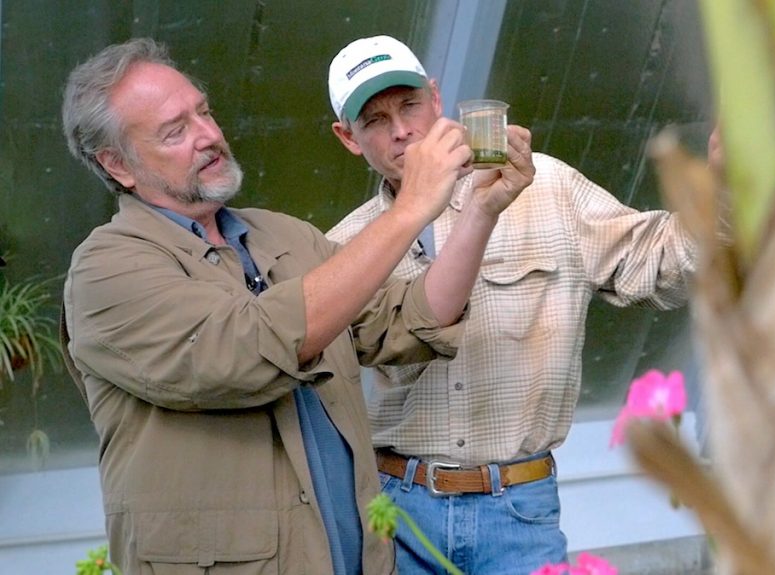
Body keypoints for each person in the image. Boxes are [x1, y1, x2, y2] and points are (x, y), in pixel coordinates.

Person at [59, 37, 534, 575]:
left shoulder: (281, 235)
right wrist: (410, 209)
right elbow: (245, 350)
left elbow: (407, 321)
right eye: (176, 130)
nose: (210, 136)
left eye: (205, 112)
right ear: (117, 164)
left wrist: (481, 211)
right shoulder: (106, 269)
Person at [324, 35, 697, 574]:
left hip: (518, 507)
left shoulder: (544, 187)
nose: (402, 129)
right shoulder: (345, 245)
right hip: (397, 510)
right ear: (348, 137)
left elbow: (653, 262)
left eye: (408, 104)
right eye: (375, 120)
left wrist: (727, 198)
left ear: (436, 98)